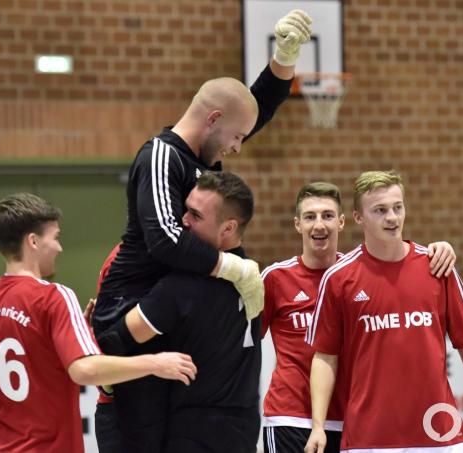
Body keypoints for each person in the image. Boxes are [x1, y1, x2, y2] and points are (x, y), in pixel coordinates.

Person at [90, 9, 313, 451]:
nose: (237, 147)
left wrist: (282, 61)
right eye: (234, 137)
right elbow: (166, 238)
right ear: (211, 120)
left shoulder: (204, 157)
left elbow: (252, 110)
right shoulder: (161, 156)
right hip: (130, 305)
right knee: (143, 433)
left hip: (172, 305)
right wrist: (235, 267)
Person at [0, 193, 197, 453]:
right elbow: (83, 370)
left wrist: (74, 334)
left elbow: (31, 360)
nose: (60, 248)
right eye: (55, 238)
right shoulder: (52, 296)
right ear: (33, 241)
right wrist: (155, 363)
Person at [304, 171, 463, 453]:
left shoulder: (437, 267)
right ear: (358, 217)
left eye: (398, 207)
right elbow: (325, 357)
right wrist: (319, 426)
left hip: (442, 438)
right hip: (368, 441)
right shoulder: (338, 278)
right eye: (380, 210)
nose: (392, 217)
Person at [260, 182, 457, 453]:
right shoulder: (275, 278)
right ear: (297, 224)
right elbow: (243, 342)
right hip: (291, 417)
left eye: (328, 216)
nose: (319, 225)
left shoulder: (355, 274)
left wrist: (440, 247)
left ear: (342, 222)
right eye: (310, 217)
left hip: (352, 421)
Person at [106, 171, 262, 453]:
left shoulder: (183, 286)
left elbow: (117, 340)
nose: (183, 221)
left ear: (228, 228)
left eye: (196, 215)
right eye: (185, 209)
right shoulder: (251, 273)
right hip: (245, 429)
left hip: (194, 432)